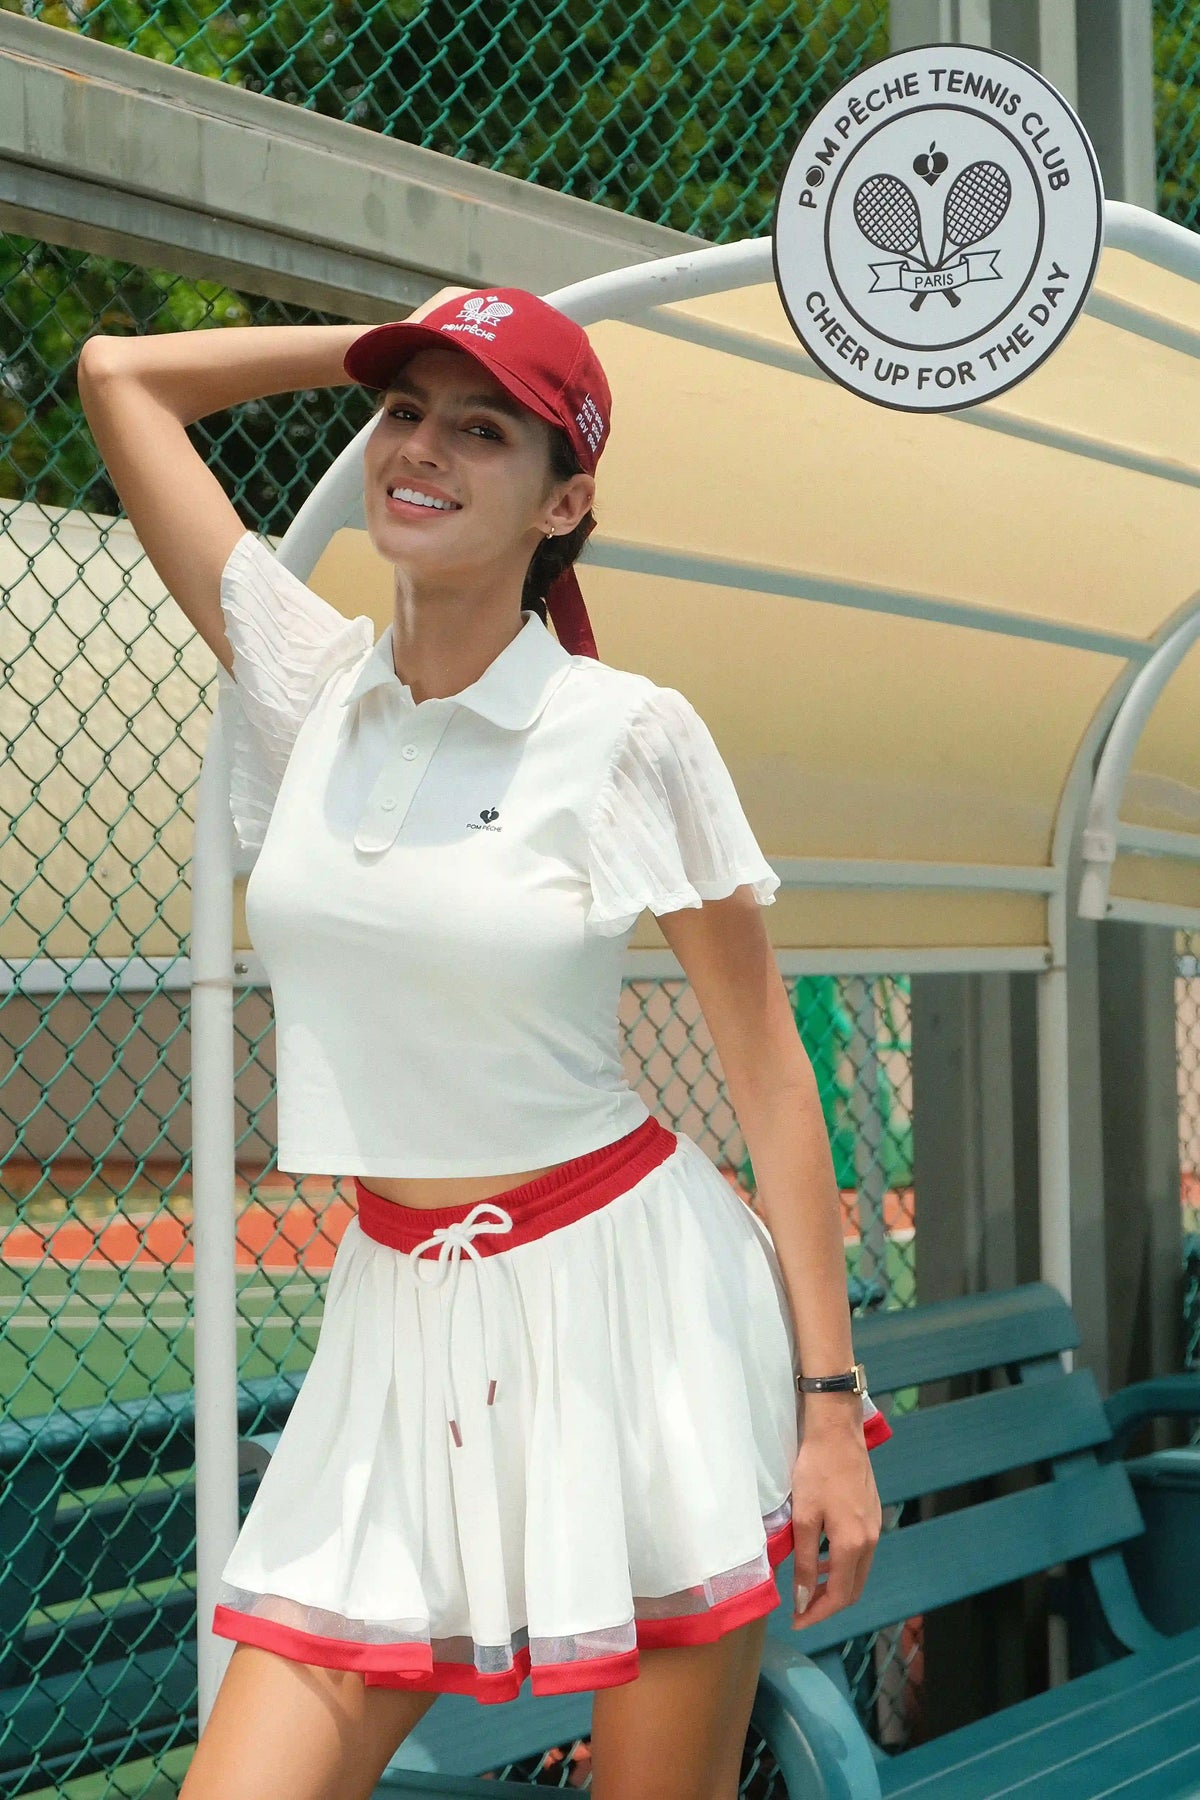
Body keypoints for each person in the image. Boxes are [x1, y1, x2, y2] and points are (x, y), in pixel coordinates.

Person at [76, 283, 888, 1800]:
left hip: (629, 1318)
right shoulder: (309, 688)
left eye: (482, 427)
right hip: (396, 1317)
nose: (421, 449)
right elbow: (120, 372)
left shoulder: (630, 732)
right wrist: (393, 341)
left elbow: (772, 1081)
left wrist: (829, 1414)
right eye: (404, 415)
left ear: (566, 498)